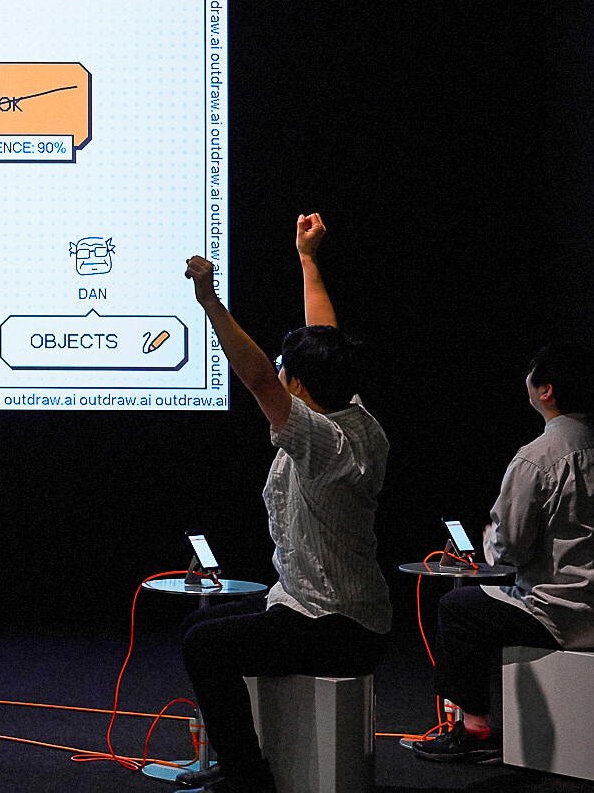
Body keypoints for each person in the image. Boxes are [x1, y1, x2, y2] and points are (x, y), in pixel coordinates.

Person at [179, 215, 391, 793]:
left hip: (337, 624)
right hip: (314, 604)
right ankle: (239, 759)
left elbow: (258, 380)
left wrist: (210, 301)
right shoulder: (348, 407)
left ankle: (248, 778)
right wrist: (307, 259)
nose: (277, 369)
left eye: (285, 367)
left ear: (297, 385)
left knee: (204, 645)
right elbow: (324, 337)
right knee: (203, 624)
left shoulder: (325, 442)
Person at [408, 342, 594, 763]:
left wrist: (489, 540)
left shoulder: (538, 458)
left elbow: (509, 550)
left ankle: (474, 731)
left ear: (546, 390)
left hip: (565, 617)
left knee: (458, 608)